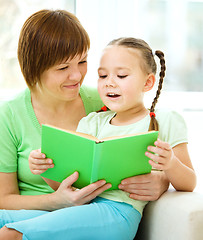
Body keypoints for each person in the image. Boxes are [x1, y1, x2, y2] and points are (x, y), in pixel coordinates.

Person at [1, 36, 196, 239]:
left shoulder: (166, 119)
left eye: (121, 76)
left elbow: (189, 183)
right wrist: (45, 169)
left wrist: (170, 163)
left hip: (118, 213)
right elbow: (69, 185)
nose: (109, 83)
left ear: (148, 82)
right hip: (83, 206)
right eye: (103, 76)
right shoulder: (92, 122)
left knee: (11, 233)